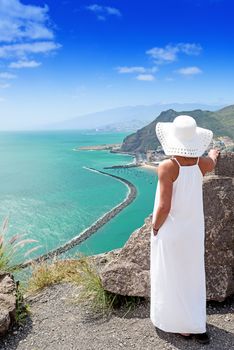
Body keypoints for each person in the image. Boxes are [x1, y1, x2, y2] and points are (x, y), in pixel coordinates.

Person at [150, 115, 220, 345]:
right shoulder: (201, 164)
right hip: (193, 231)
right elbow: (212, 161)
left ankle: (180, 325)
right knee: (192, 275)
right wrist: (213, 155)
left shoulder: (168, 166)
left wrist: (155, 226)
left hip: (172, 230)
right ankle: (195, 323)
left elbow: (163, 206)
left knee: (171, 275)